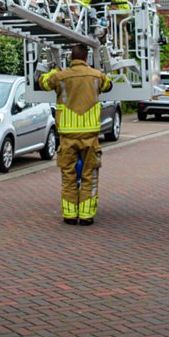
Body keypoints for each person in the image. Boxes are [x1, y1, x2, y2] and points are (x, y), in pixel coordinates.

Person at [38, 44, 113, 225]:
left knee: (68, 176)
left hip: (67, 136)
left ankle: (70, 216)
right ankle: (87, 216)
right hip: (90, 136)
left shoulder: (61, 77)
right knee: (90, 176)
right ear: (87, 59)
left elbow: (43, 83)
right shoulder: (96, 76)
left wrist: (54, 70)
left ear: (70, 58)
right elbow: (108, 85)